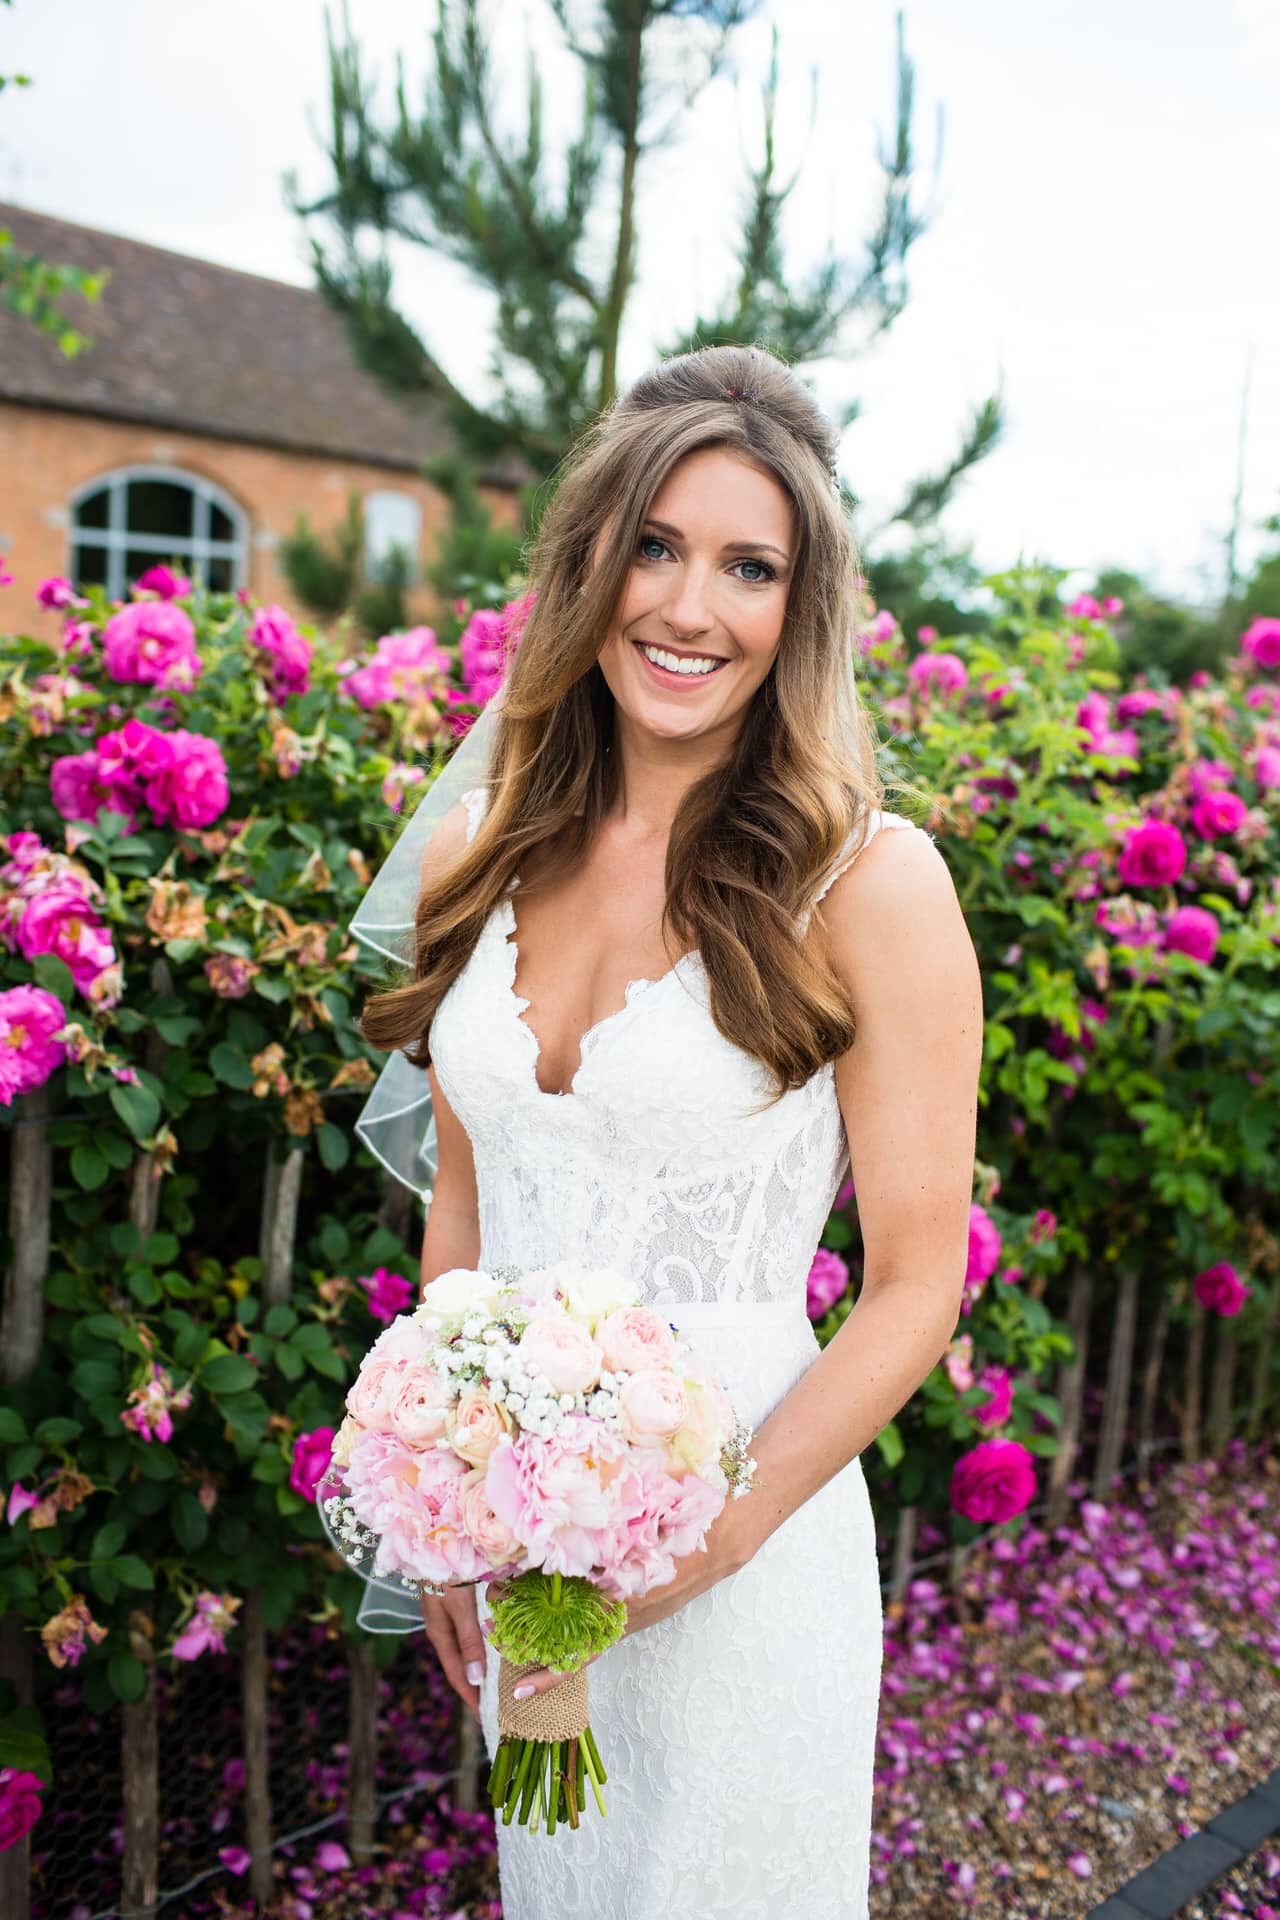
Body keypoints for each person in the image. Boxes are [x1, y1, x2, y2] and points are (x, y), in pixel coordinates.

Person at [350, 343, 982, 1918]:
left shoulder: (872, 885)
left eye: (748, 566)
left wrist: (704, 1543)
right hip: (521, 1554)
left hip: (744, 1555)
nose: (691, 608)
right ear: (591, 561)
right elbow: (466, 1219)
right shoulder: (488, 854)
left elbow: (916, 1285)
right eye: (656, 545)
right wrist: (447, 1503)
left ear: (799, 608)